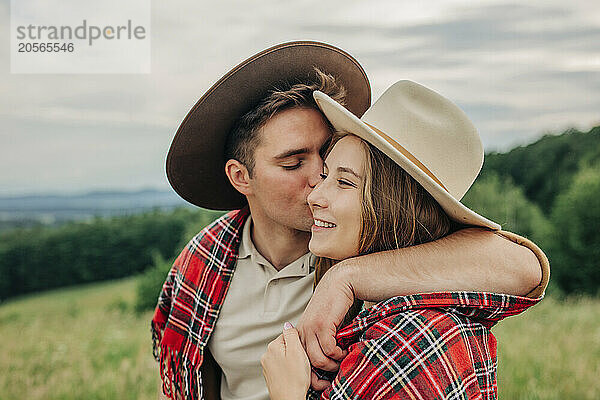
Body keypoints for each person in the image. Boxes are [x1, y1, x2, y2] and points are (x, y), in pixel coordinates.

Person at [152, 42, 547, 400]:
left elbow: (524, 267)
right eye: (292, 163)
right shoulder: (203, 260)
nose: (315, 185)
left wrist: (347, 277)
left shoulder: (399, 295)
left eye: (328, 162)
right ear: (241, 177)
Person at [260, 81, 550, 399]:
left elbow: (527, 267)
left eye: (344, 182)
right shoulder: (391, 317)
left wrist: (286, 392)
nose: (315, 196)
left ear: (395, 205)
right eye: (326, 176)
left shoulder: (408, 342)